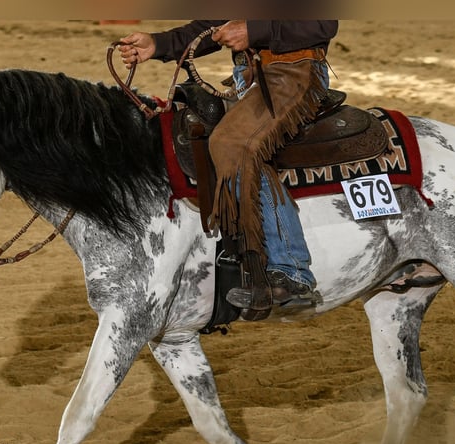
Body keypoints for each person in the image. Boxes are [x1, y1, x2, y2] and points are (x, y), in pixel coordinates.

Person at [118, 20, 338, 311]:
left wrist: (254, 31)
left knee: (232, 143)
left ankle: (292, 271)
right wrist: (158, 44)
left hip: (293, 73)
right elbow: (214, 23)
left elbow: (323, 24)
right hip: (248, 79)